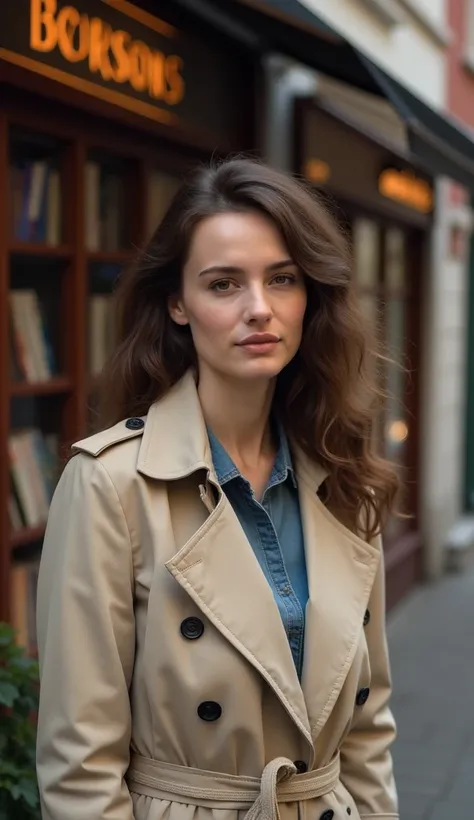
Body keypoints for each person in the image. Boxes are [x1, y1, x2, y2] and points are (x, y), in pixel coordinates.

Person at [36, 157, 400, 820]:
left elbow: (368, 731)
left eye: (282, 279)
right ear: (178, 302)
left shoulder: (343, 473)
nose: (258, 309)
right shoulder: (112, 485)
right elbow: (79, 766)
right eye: (224, 283)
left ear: (309, 296)